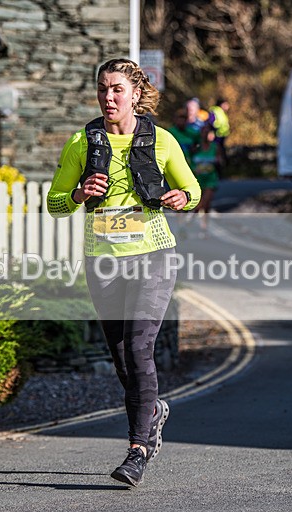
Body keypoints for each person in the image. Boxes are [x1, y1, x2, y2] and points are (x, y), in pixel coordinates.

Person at [47, 58, 201, 486]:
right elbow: (54, 203)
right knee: (120, 357)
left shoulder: (163, 140)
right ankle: (152, 411)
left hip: (153, 254)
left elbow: (193, 191)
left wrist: (179, 198)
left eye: (116, 89)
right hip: (104, 261)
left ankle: (138, 447)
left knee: (138, 348)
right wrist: (77, 193)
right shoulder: (83, 142)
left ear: (136, 94)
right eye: (102, 89)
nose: (108, 97)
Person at [190, 124, 220, 234]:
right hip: (197, 179)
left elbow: (221, 161)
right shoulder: (196, 148)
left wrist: (217, 161)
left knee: (205, 204)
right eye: (204, 132)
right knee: (198, 204)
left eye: (209, 132)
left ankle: (204, 228)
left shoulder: (215, 147)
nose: (207, 135)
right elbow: (189, 161)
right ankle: (191, 222)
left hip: (210, 179)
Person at [207, 98, 231, 178]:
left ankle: (221, 173)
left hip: (221, 136)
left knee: (221, 155)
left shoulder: (221, 112)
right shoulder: (216, 111)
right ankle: (216, 173)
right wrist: (212, 131)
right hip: (216, 137)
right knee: (216, 154)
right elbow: (211, 122)